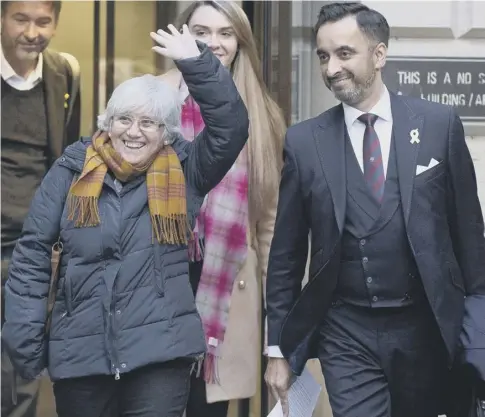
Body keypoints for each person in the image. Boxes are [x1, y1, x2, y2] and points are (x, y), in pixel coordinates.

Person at [2, 24, 249, 417]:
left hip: (159, 356)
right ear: (107, 122)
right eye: (124, 120)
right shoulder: (70, 171)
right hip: (81, 356)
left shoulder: (185, 170)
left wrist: (196, 64)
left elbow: (231, 129)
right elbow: (32, 256)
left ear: (167, 134)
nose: (134, 132)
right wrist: (26, 345)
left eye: (149, 123)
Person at [264, 2, 485, 417]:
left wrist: (480, 333)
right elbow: (286, 256)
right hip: (345, 332)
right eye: (324, 56)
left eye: (344, 54)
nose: (331, 68)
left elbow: (471, 243)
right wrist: (277, 348)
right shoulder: (303, 142)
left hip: (427, 328)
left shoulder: (439, 125)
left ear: (379, 55)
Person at [157, 2, 286, 416]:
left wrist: (278, 328)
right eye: (201, 31)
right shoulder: (152, 96)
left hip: (227, 288)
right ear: (183, 34)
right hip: (160, 281)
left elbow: (269, 225)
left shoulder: (263, 114)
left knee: (206, 409)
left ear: (240, 41)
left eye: (226, 33)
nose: (213, 42)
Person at [1, 1, 80, 416]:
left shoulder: (63, 73)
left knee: (24, 367)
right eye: (20, 19)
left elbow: (66, 160)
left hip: (31, 248)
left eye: (43, 21)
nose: (32, 32)